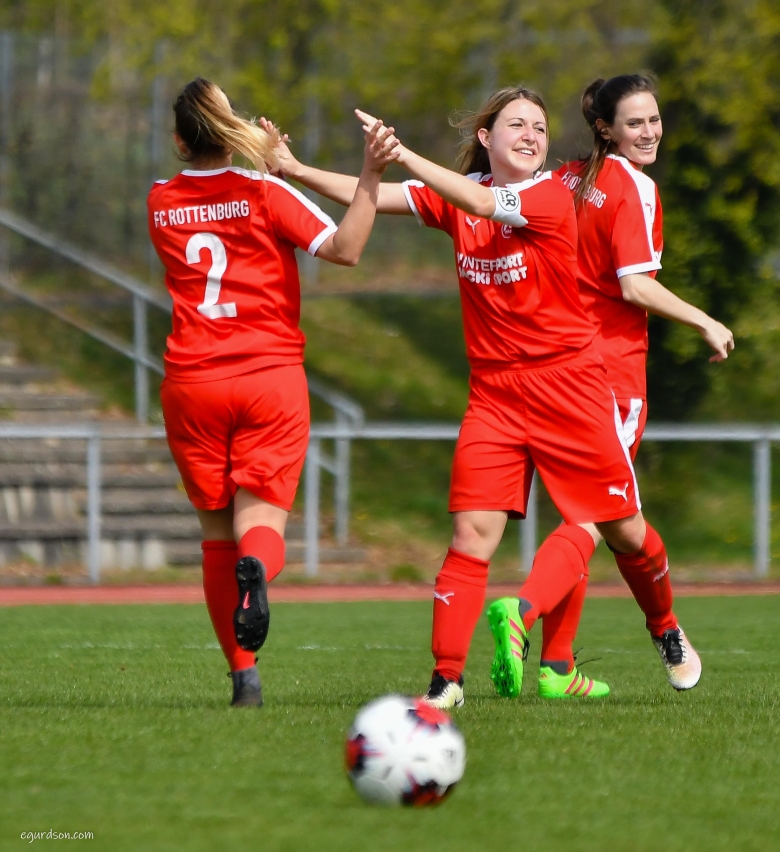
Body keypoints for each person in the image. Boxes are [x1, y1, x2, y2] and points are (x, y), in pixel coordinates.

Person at [269, 87, 686, 708]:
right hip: (494, 394)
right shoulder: (462, 194)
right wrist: (294, 168)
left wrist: (403, 153)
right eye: (516, 124)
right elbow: (375, 196)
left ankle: (665, 626)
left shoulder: (548, 195)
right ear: (486, 138)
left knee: (624, 531)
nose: (531, 135)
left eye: (539, 127)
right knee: (472, 533)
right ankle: (446, 681)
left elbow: (483, 202)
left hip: (569, 387)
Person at [147, 78, 397, 708]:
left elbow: (207, 208)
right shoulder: (264, 191)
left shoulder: (159, 201)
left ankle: (244, 681)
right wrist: (368, 174)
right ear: (232, 130)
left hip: (192, 383)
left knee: (216, 538)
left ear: (179, 140)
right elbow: (346, 248)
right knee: (258, 528)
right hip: (267, 378)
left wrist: (252, 156)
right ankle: (258, 573)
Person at [508, 74, 735, 694]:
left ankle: (558, 666)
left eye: (654, 119)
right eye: (635, 122)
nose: (650, 131)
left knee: (584, 517)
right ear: (605, 128)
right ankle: (529, 612)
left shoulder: (562, 180)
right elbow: (634, 286)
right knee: (600, 517)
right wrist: (705, 320)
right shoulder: (634, 186)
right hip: (608, 376)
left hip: (547, 371)